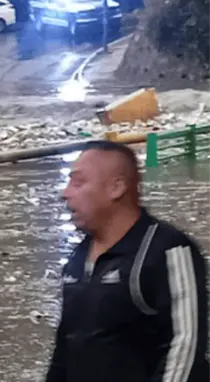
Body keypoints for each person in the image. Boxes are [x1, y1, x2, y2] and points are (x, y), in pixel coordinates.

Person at [49, 140, 210, 382]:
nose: (66, 193)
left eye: (79, 182)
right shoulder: (77, 259)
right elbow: (66, 347)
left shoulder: (167, 250)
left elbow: (185, 347)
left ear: (117, 188)